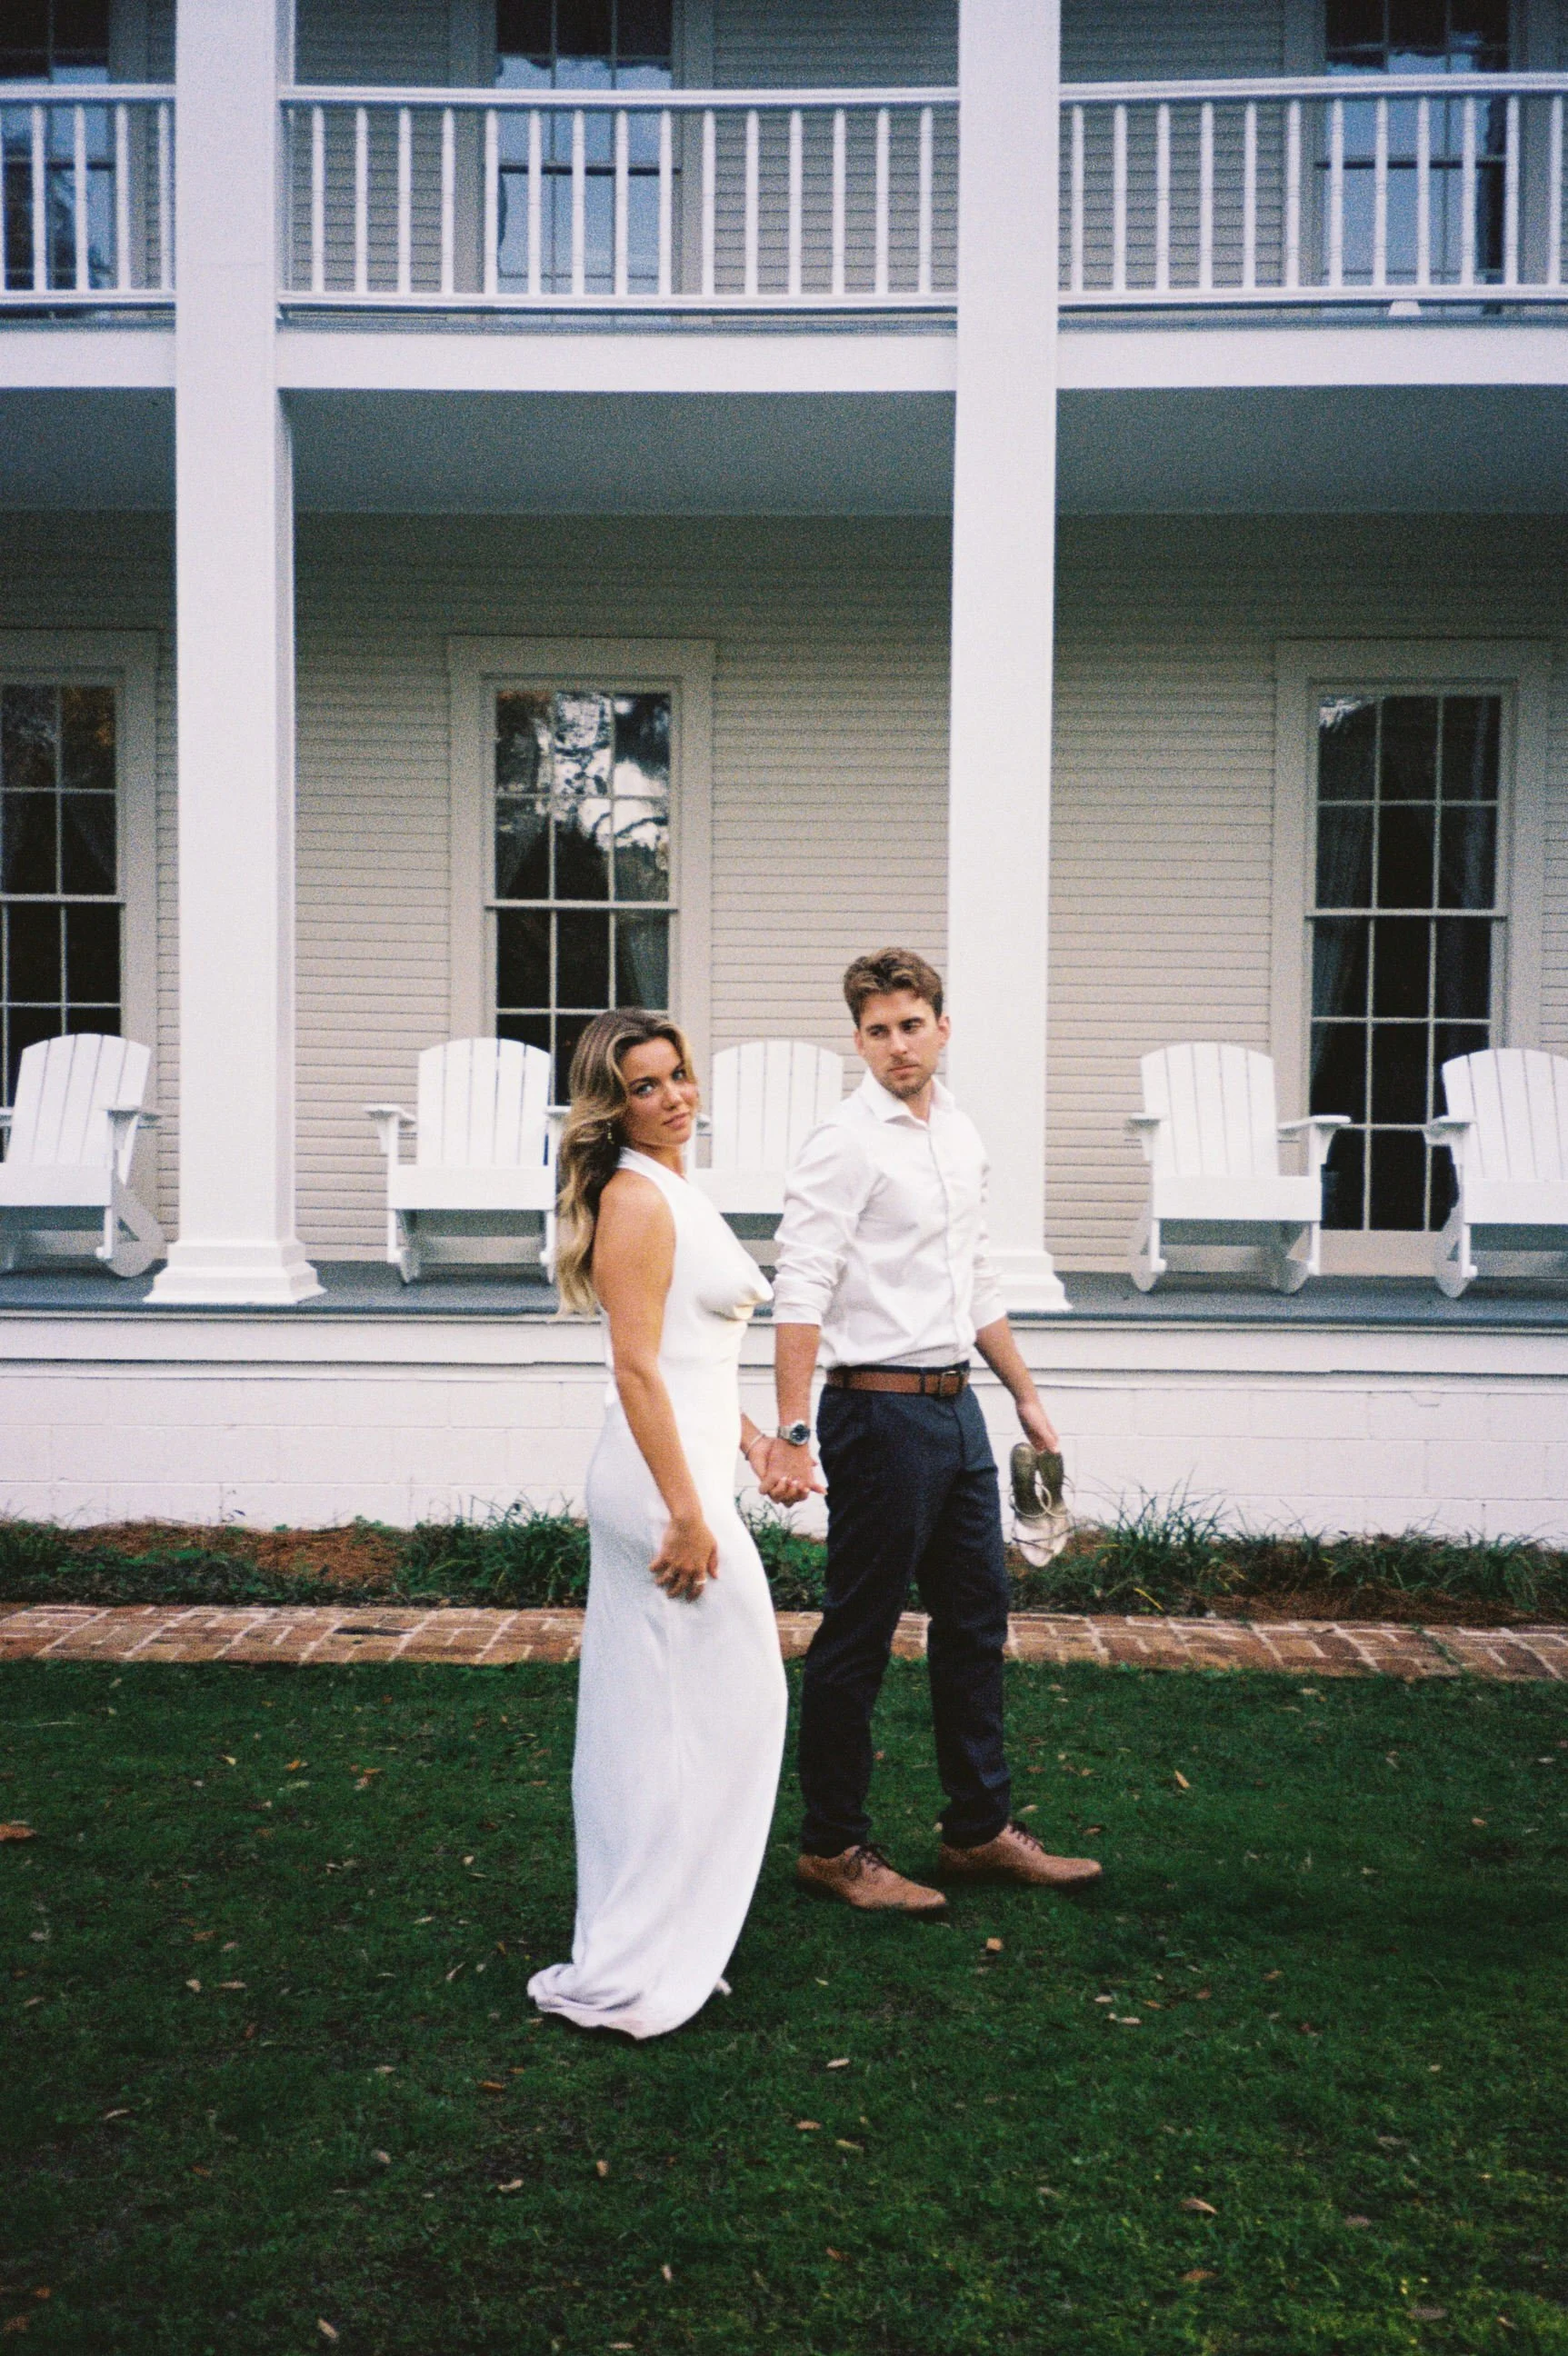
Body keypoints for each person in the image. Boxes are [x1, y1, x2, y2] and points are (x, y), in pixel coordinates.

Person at [756, 948, 1103, 1914]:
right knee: (859, 1632)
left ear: (942, 1027)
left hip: (958, 1409)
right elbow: (802, 1284)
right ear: (858, 1039)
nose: (897, 1045)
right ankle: (832, 1848)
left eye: (912, 1025)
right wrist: (792, 1427)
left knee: (976, 1621)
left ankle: (978, 1832)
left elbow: (974, 1281)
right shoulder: (844, 1142)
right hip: (876, 1410)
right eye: (877, 1030)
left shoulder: (957, 1132)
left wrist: (1024, 1394)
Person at [528, 1009, 792, 2037]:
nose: (674, 1096)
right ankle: (640, 1954)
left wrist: (757, 1443)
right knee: (705, 1714)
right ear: (613, 1103)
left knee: (686, 1719)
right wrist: (687, 1511)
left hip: (684, 1473)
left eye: (678, 1075)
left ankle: (665, 1934)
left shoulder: (678, 1185)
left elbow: (690, 1361)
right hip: (656, 1490)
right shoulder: (636, 1199)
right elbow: (634, 1368)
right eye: (646, 1085)